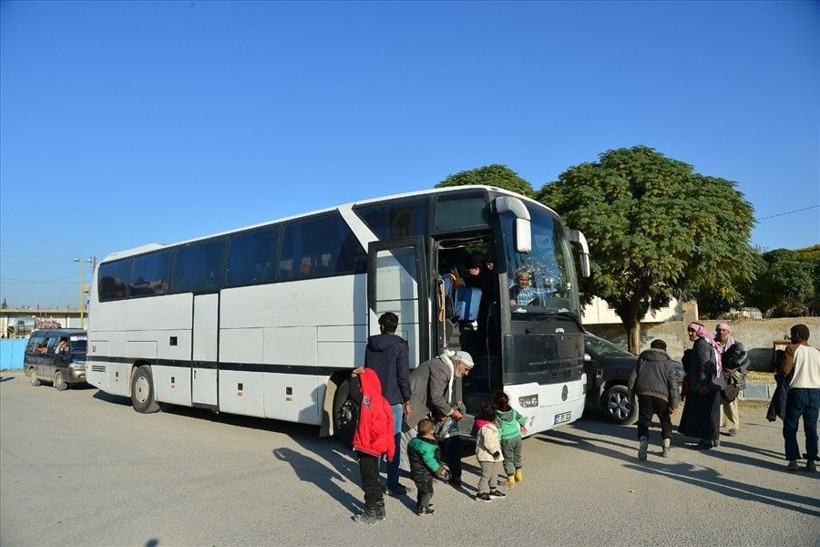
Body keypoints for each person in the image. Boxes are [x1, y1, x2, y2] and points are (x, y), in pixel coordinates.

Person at [405, 350, 474, 488]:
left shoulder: (446, 368)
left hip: (419, 406)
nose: (466, 373)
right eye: (466, 369)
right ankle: (418, 475)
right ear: (458, 363)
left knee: (422, 445)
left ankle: (422, 472)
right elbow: (436, 397)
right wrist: (451, 412)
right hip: (414, 406)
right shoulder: (442, 369)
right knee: (417, 446)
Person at [363, 312, 411, 495]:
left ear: (381, 326)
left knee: (374, 441)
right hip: (392, 401)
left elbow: (366, 372)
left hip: (373, 401)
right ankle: (392, 483)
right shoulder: (400, 346)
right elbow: (402, 375)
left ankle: (373, 481)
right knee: (393, 442)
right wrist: (407, 400)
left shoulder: (370, 345)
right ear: (395, 326)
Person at [349, 367, 395, 524]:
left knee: (368, 481)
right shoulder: (384, 402)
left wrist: (354, 375)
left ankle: (371, 512)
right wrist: (390, 453)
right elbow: (390, 430)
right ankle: (380, 509)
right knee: (374, 478)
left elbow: (354, 394)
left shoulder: (366, 400)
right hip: (378, 448)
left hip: (366, 446)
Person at [628, 339, 680, 460]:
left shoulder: (642, 359)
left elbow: (632, 379)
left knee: (644, 420)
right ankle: (666, 446)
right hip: (662, 396)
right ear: (664, 349)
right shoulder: (668, 363)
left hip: (644, 393)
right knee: (665, 420)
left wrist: (630, 396)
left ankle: (643, 440)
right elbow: (673, 384)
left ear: (651, 347)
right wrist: (674, 404)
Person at [678, 322, 724, 450]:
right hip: (711, 385)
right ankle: (714, 438)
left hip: (706, 386)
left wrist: (701, 383)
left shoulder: (701, 345)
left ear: (699, 332)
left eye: (692, 331)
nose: (690, 333)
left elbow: (705, 365)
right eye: (689, 331)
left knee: (705, 414)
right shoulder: (705, 343)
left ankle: (707, 440)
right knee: (711, 413)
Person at [780, 324, 820, 472]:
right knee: (811, 427)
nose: (790, 337)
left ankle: (793, 460)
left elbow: (784, 370)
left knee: (790, 426)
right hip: (815, 392)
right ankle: (811, 461)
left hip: (797, 391)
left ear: (797, 335)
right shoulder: (817, 351)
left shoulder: (792, 349)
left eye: (792, 334)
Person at [406, 417, 450, 516]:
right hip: (424, 474)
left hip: (415, 471)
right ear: (431, 431)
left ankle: (420, 503)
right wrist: (440, 470)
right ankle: (423, 509)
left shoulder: (413, 441)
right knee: (428, 492)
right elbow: (430, 461)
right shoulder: (427, 446)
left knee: (421, 489)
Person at [714, 323, 749, 437]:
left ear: (728, 332)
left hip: (732, 378)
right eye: (719, 330)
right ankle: (718, 424)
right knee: (718, 401)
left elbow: (745, 361)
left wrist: (736, 368)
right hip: (718, 376)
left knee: (731, 401)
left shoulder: (737, 345)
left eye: (724, 330)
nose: (721, 332)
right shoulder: (712, 344)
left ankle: (733, 426)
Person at [491, 389, 527, 486]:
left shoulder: (497, 416)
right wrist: (523, 425)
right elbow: (521, 419)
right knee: (517, 455)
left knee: (508, 459)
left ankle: (511, 480)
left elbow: (499, 430)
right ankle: (519, 474)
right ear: (507, 401)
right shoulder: (513, 412)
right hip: (517, 436)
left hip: (506, 439)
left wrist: (497, 441)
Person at [474, 402, 506, 502]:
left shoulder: (488, 425)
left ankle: (493, 490)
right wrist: (495, 452)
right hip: (485, 456)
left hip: (490, 456)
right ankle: (480, 493)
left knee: (493, 473)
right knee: (486, 474)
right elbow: (488, 443)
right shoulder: (486, 428)